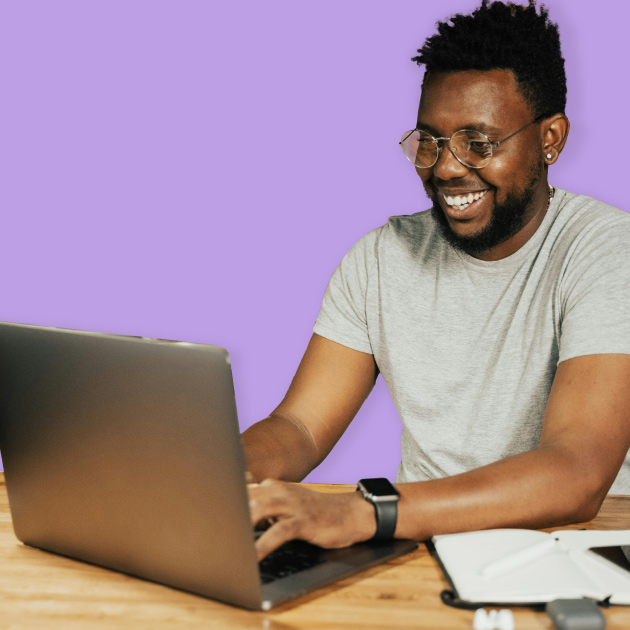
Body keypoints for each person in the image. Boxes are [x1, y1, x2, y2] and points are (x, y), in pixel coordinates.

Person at [243, 0, 630, 561]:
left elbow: (577, 473)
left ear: (551, 138)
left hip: (569, 555)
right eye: (431, 140)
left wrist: (364, 511)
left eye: (479, 142)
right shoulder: (382, 257)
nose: (446, 167)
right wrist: (218, 478)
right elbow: (299, 426)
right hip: (415, 547)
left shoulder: (606, 252)